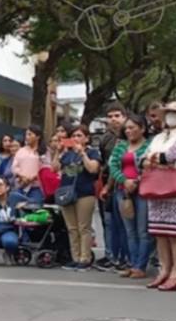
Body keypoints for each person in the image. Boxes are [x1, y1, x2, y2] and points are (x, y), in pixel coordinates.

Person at [143, 102, 176, 291]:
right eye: (169, 112)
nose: (171, 116)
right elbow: (143, 159)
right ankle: (164, 270)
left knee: (175, 234)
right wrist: (154, 159)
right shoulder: (158, 137)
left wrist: (154, 159)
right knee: (160, 234)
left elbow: (169, 156)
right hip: (155, 188)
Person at [108, 114, 152, 279]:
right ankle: (133, 264)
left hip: (143, 191)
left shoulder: (150, 145)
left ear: (142, 128)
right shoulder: (121, 146)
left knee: (143, 231)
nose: (128, 131)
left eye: (132, 127)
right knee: (129, 230)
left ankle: (141, 265)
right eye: (126, 128)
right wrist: (124, 181)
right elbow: (113, 166)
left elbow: (150, 167)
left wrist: (136, 181)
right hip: (123, 191)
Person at [54, 126, 102, 271]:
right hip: (67, 193)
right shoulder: (68, 154)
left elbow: (93, 169)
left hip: (84, 193)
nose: (76, 138)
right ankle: (75, 258)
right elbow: (54, 168)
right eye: (73, 136)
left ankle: (85, 258)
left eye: (79, 135)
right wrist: (58, 152)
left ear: (87, 138)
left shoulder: (92, 152)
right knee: (72, 228)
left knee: (83, 227)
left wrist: (82, 154)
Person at [97, 103, 129, 271]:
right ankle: (111, 255)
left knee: (126, 225)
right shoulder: (105, 138)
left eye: (117, 116)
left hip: (127, 184)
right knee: (109, 223)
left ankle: (127, 257)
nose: (113, 119)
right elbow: (105, 163)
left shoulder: (131, 134)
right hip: (108, 185)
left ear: (124, 116)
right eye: (110, 117)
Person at [11, 125, 45, 204]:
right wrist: (22, 176)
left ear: (38, 137)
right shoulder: (21, 151)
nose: (27, 137)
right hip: (21, 186)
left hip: (36, 187)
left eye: (30, 134)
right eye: (26, 134)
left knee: (34, 209)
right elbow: (14, 167)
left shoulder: (44, 151)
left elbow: (46, 168)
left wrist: (32, 178)